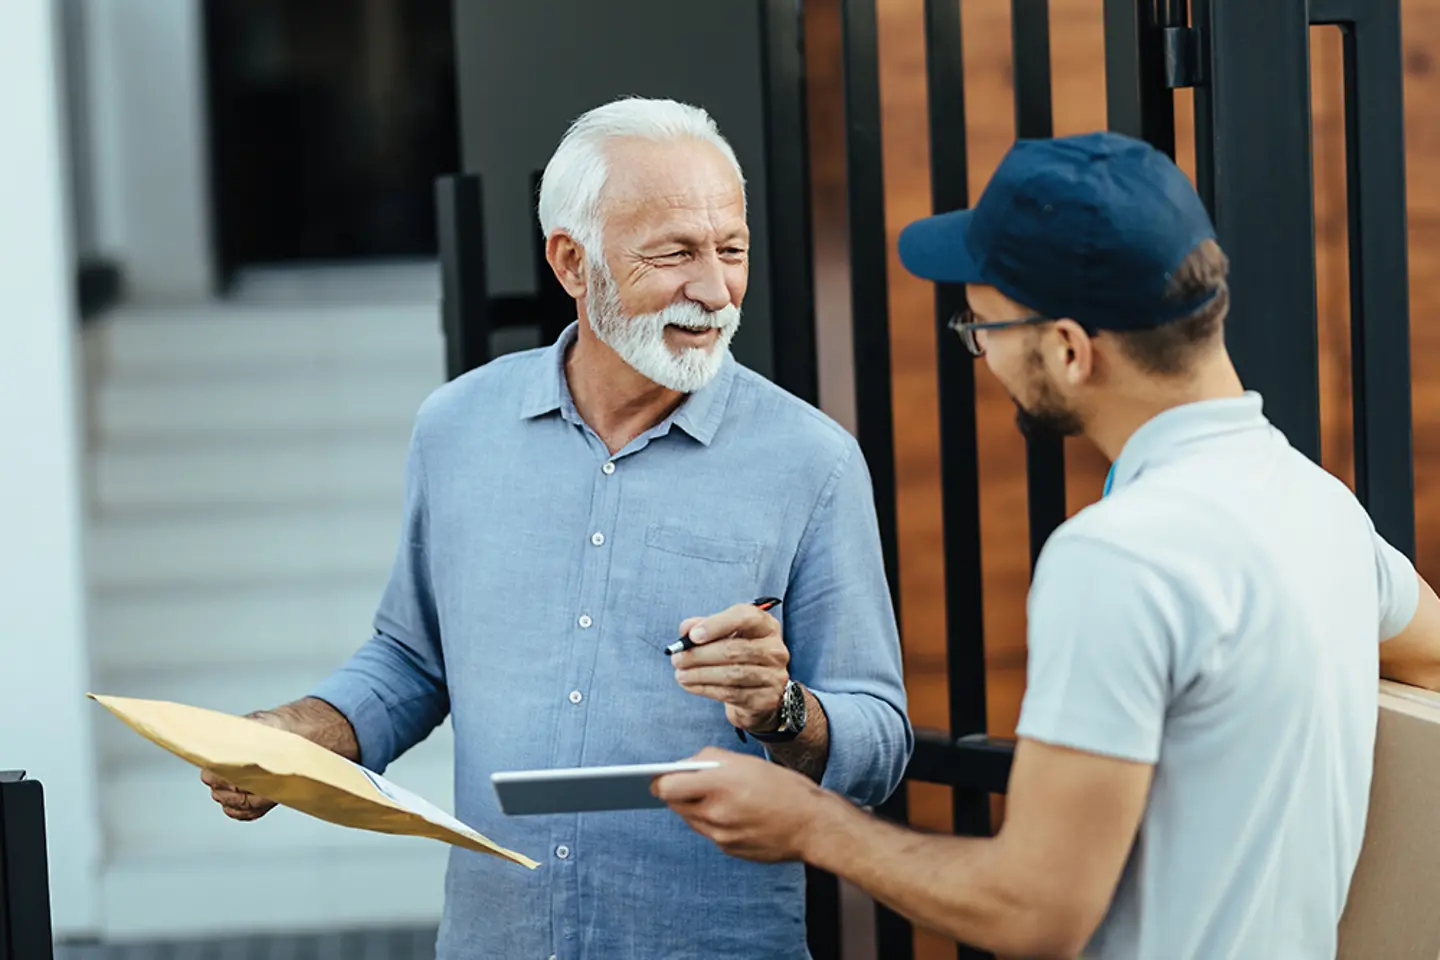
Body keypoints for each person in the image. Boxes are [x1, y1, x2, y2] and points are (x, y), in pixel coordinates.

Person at [654, 131, 1440, 959]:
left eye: (983, 326)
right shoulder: (1321, 508)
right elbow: (1429, 661)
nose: (983, 352)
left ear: (1068, 350)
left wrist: (810, 823)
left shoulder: (1118, 556)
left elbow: (1034, 911)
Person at [200, 97, 912, 960]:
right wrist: (299, 734)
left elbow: (880, 747)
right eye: (674, 255)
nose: (715, 290)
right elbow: (412, 660)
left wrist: (782, 709)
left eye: (731, 250)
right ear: (573, 261)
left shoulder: (813, 461)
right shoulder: (457, 426)